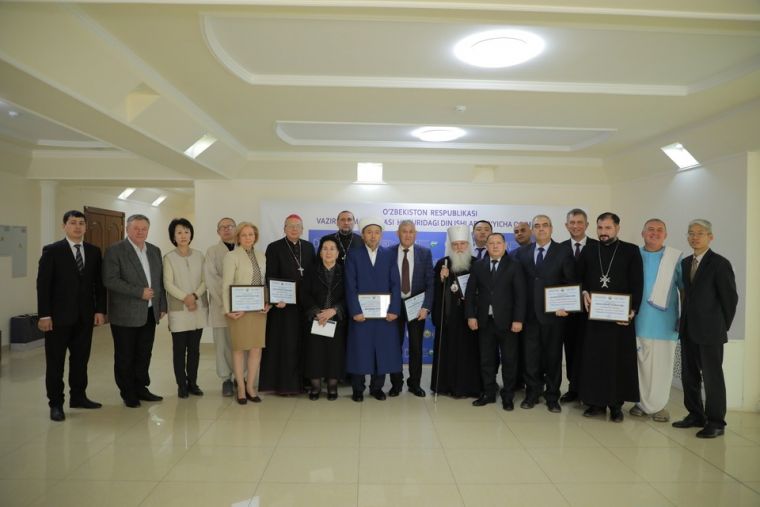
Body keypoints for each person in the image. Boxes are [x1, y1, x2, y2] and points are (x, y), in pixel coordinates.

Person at [36, 210, 106, 421]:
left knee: (80, 361)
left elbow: (99, 284)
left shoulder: (93, 251)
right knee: (55, 363)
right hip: (57, 319)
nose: (77, 227)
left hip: (85, 318)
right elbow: (43, 285)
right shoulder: (52, 251)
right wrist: (44, 315)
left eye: (81, 223)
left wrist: (100, 310)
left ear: (86, 227)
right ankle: (56, 404)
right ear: (64, 226)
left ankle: (78, 396)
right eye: (73, 223)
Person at [672, 219, 738, 438]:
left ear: (710, 237)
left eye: (700, 233)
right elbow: (686, 296)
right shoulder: (685, 263)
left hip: (710, 331)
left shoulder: (719, 263)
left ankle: (716, 422)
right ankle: (695, 415)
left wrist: (721, 326)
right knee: (689, 375)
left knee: (712, 378)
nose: (695, 237)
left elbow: (730, 299)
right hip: (688, 329)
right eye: (691, 233)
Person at [577, 212, 643, 423]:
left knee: (618, 362)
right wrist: (584, 292)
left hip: (620, 318)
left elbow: (637, 282)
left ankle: (616, 406)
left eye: (608, 228)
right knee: (594, 360)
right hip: (594, 318)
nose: (603, 232)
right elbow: (579, 276)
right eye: (600, 228)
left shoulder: (630, 250)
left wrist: (633, 310)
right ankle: (595, 403)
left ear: (617, 228)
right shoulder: (589, 249)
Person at [103, 214, 167, 407]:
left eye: (144, 228)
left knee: (144, 353)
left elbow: (159, 280)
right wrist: (139, 292)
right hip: (125, 314)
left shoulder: (154, 250)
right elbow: (110, 280)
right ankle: (128, 392)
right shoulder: (115, 250)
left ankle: (141, 388)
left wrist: (161, 305)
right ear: (127, 229)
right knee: (125, 355)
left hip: (149, 312)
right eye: (136, 228)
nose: (140, 232)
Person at [514, 215, 575, 413]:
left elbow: (570, 281)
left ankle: (552, 397)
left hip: (554, 315)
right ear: (532, 230)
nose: (541, 229)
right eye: (537, 226)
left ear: (551, 228)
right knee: (530, 358)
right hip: (529, 316)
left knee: (553, 358)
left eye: (545, 225)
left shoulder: (563, 251)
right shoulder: (522, 253)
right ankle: (532, 393)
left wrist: (566, 305)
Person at [465, 232, 526, 410]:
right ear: (486, 246)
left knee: (509, 360)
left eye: (498, 243)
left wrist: (518, 319)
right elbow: (470, 293)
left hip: (508, 323)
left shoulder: (514, 265)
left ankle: (508, 396)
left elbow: (521, 296)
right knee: (487, 360)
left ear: (505, 246)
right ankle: (489, 393)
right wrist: (471, 315)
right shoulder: (478, 265)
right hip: (485, 322)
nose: (495, 246)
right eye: (491, 243)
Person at [629, 219, 682, 422]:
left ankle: (659, 406)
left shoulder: (674, 258)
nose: (655, 233)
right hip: (638, 320)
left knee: (662, 367)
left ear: (665, 235)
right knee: (639, 366)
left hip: (664, 324)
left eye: (660, 230)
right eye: (650, 229)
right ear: (642, 233)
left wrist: (683, 317)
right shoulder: (633, 255)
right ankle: (641, 403)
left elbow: (684, 289)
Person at [345, 217, 401, 402]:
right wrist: (355, 310)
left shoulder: (389, 255)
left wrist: (394, 309)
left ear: (381, 235)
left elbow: (395, 284)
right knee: (360, 351)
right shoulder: (353, 255)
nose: (373, 236)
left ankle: (377, 388)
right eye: (369, 232)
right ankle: (358, 389)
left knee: (381, 352)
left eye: (377, 232)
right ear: (362, 235)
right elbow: (350, 286)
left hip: (384, 315)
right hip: (361, 314)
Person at [260, 214, 316, 395]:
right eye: (290, 226)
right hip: (283, 307)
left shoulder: (308, 247)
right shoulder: (274, 247)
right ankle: (284, 385)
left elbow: (313, 275)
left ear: (302, 229)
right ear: (284, 228)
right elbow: (270, 275)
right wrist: (276, 298)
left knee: (304, 344)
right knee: (286, 345)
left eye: (297, 226)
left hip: (305, 305)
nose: (294, 229)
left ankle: (304, 382)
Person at [430, 225, 482, 398]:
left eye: (462, 244)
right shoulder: (442, 263)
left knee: (468, 353)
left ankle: (468, 387)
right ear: (450, 246)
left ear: (468, 245)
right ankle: (446, 386)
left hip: (469, 317)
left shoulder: (477, 264)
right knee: (448, 351)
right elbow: (435, 291)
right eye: (455, 245)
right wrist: (441, 278)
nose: (459, 248)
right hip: (449, 317)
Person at [223, 222, 270, 404]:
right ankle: (241, 388)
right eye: (244, 235)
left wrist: (267, 303)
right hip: (239, 309)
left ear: (255, 236)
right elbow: (226, 284)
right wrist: (228, 309)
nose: (248, 238)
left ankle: (250, 386)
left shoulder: (261, 255)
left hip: (258, 309)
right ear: (238, 237)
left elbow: (264, 282)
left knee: (256, 348)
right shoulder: (231, 256)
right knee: (239, 349)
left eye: (251, 234)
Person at [163, 218, 208, 399]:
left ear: (191, 234)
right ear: (173, 236)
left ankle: (193, 383)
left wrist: (194, 296)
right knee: (179, 350)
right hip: (179, 309)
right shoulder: (169, 258)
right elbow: (168, 283)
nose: (183, 236)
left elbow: (205, 280)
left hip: (197, 307)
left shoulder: (199, 256)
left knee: (194, 350)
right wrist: (186, 298)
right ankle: (182, 385)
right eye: (179, 232)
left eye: (186, 232)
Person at [390, 220, 434, 397]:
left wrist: (426, 307)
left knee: (416, 347)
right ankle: (396, 384)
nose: (408, 235)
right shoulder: (388, 253)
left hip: (417, 306)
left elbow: (430, 283)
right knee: (394, 347)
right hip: (394, 307)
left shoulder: (425, 253)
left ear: (416, 234)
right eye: (404, 231)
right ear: (397, 233)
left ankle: (414, 384)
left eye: (411, 232)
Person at [300, 236, 347, 401]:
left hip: (336, 319)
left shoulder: (345, 272)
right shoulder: (311, 271)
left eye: (332, 249)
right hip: (316, 319)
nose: (328, 252)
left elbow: (349, 296)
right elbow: (304, 294)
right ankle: (316, 387)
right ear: (320, 252)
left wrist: (335, 310)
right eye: (325, 248)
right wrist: (317, 312)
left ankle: (332, 387)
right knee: (315, 354)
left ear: (338, 253)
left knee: (335, 354)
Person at [559, 208, 597, 403]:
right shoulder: (559, 248)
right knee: (571, 349)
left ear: (587, 225)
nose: (575, 226)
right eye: (572, 223)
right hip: (568, 311)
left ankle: (589, 390)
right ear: (566, 225)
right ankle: (573, 388)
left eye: (579, 222)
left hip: (593, 309)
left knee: (590, 351)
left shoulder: (598, 247)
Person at [205, 217, 237, 397]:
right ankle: (226, 379)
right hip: (220, 306)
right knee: (222, 344)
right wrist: (227, 302)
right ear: (218, 232)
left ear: (235, 229)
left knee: (240, 343)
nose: (226, 229)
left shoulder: (243, 249)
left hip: (242, 306)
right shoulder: (212, 251)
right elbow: (211, 279)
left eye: (230, 226)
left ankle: (241, 377)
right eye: (222, 227)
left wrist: (240, 301)